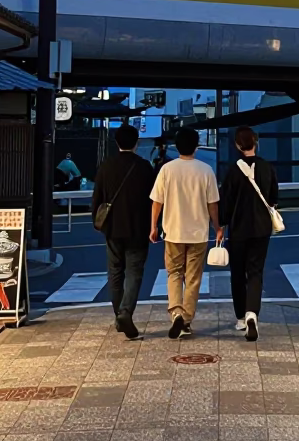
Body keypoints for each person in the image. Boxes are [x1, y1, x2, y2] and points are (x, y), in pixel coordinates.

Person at [150, 128, 222, 339]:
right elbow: (213, 204)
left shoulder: (167, 170)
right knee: (193, 278)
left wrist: (153, 226)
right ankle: (187, 319)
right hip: (198, 233)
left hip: (173, 231)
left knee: (174, 273)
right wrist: (217, 227)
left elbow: (157, 201)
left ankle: (176, 313)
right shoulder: (206, 170)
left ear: (177, 146)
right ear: (196, 146)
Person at [92, 124, 156, 339]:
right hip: (138, 227)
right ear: (136, 142)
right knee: (134, 272)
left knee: (115, 272)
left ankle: (119, 313)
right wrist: (155, 225)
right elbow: (154, 199)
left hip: (112, 228)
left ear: (116, 142)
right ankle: (125, 312)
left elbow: (97, 198)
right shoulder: (144, 167)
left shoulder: (106, 166)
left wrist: (98, 223)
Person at [219, 127, 279, 342]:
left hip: (238, 229)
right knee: (255, 271)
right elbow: (273, 198)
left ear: (237, 145)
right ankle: (252, 313)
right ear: (256, 142)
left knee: (237, 273)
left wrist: (221, 226)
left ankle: (240, 317)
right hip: (261, 228)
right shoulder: (267, 167)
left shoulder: (233, 171)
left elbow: (225, 202)